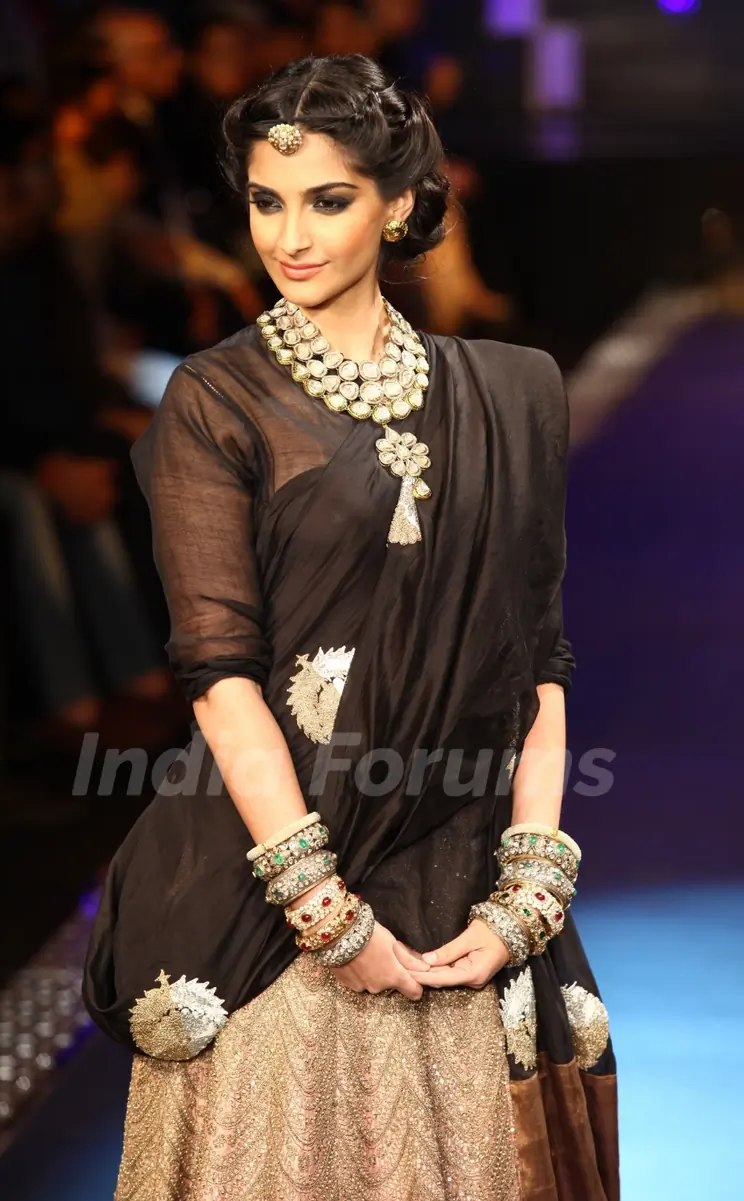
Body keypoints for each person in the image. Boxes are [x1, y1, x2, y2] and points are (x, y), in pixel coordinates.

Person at [84, 54, 618, 1200]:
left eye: (327, 199)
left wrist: (527, 888)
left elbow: (538, 659)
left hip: (470, 891)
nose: (290, 235)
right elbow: (219, 674)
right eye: (266, 202)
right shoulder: (216, 401)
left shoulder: (509, 394)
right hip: (278, 911)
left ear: (403, 203)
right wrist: (327, 918)